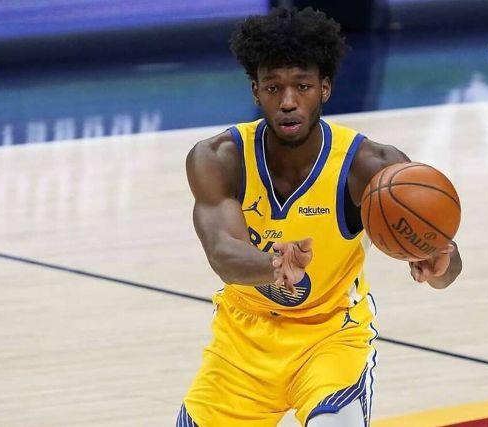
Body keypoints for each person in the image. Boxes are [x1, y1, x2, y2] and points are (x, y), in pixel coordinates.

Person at [178, 7, 462, 427]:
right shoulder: (219, 158)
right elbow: (223, 253)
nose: (288, 102)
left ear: (325, 88)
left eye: (302, 86)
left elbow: (446, 269)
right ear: (256, 92)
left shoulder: (371, 166)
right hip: (243, 342)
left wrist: (440, 262)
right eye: (273, 87)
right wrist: (275, 264)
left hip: (331, 336)